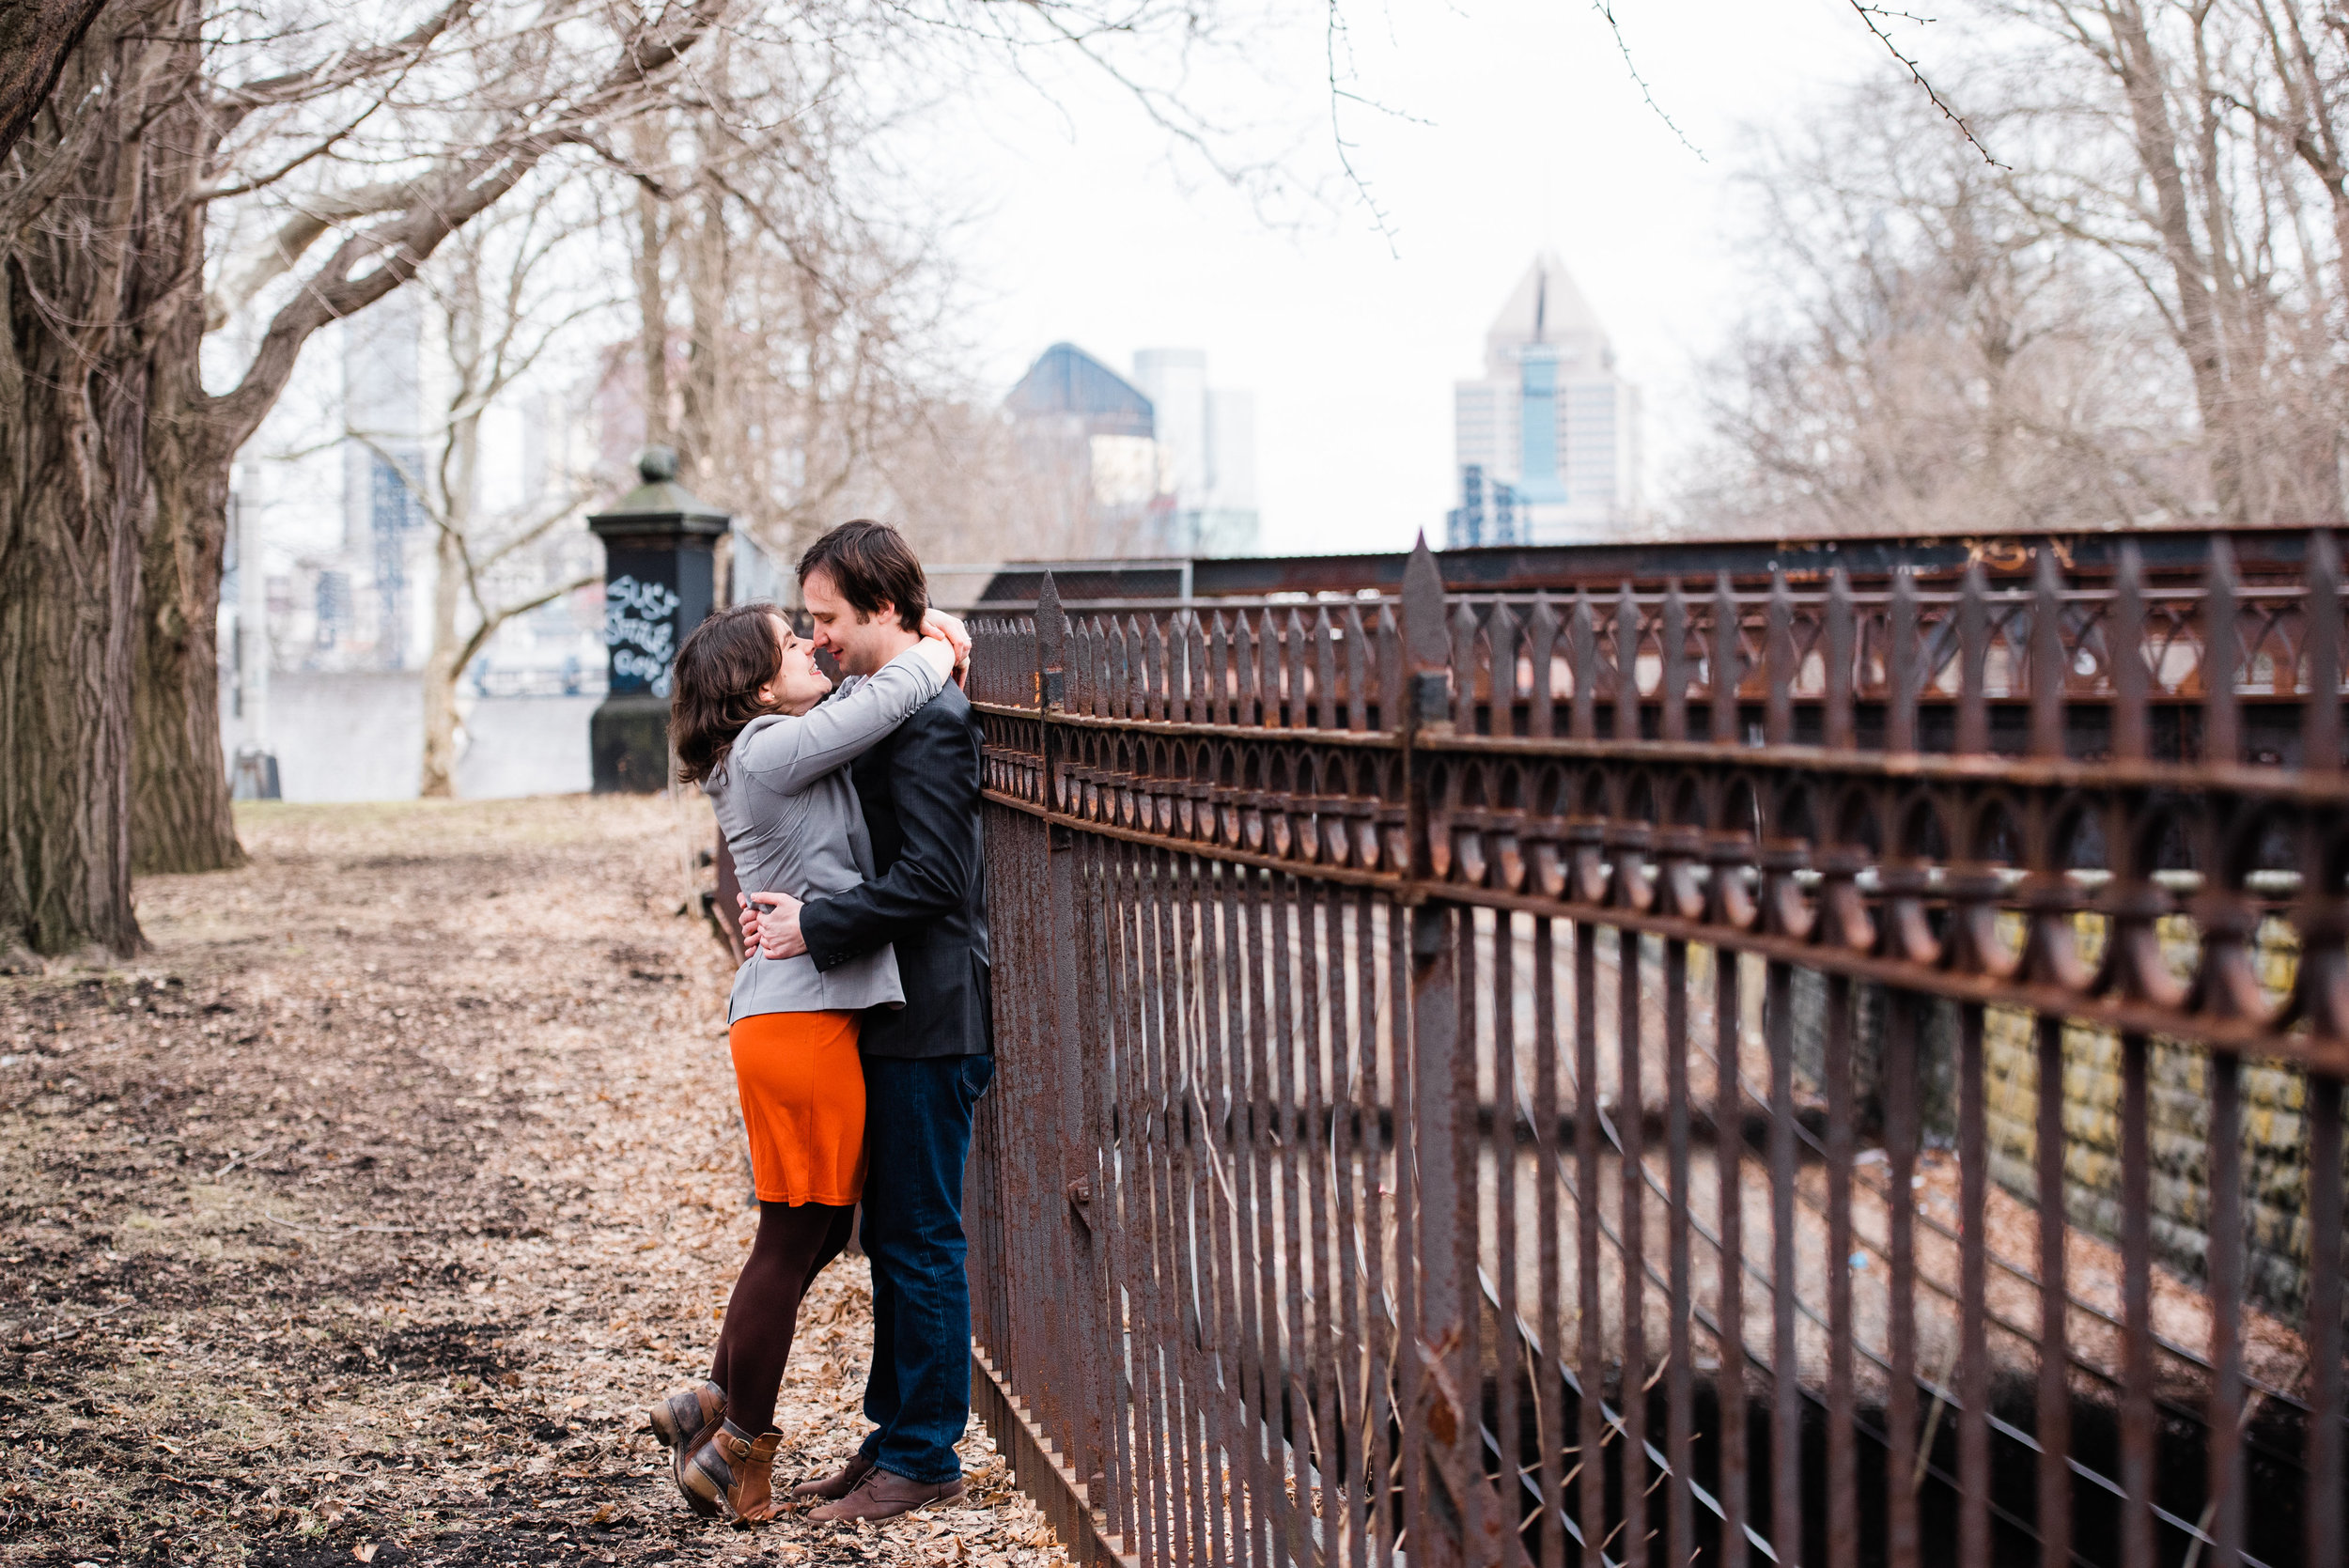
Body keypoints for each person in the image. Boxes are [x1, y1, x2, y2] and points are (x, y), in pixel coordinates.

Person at [645, 599, 959, 1524]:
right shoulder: (769, 748)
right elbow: (885, 698)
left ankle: (711, 1401)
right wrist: (937, 642)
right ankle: (736, 1448)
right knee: (792, 1237)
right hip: (801, 1027)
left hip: (800, 1018)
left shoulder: (767, 750)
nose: (810, 644)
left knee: (816, 1233)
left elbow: (862, 715)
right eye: (792, 642)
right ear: (754, 686)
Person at [739, 520, 993, 1524]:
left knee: (921, 1237)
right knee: (893, 1238)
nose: (821, 636)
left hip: (931, 1016)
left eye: (830, 617)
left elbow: (936, 880)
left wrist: (817, 924)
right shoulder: (886, 703)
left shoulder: (931, 725)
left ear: (884, 609)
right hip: (889, 1014)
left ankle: (926, 1453)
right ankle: (890, 1437)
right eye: (810, 619)